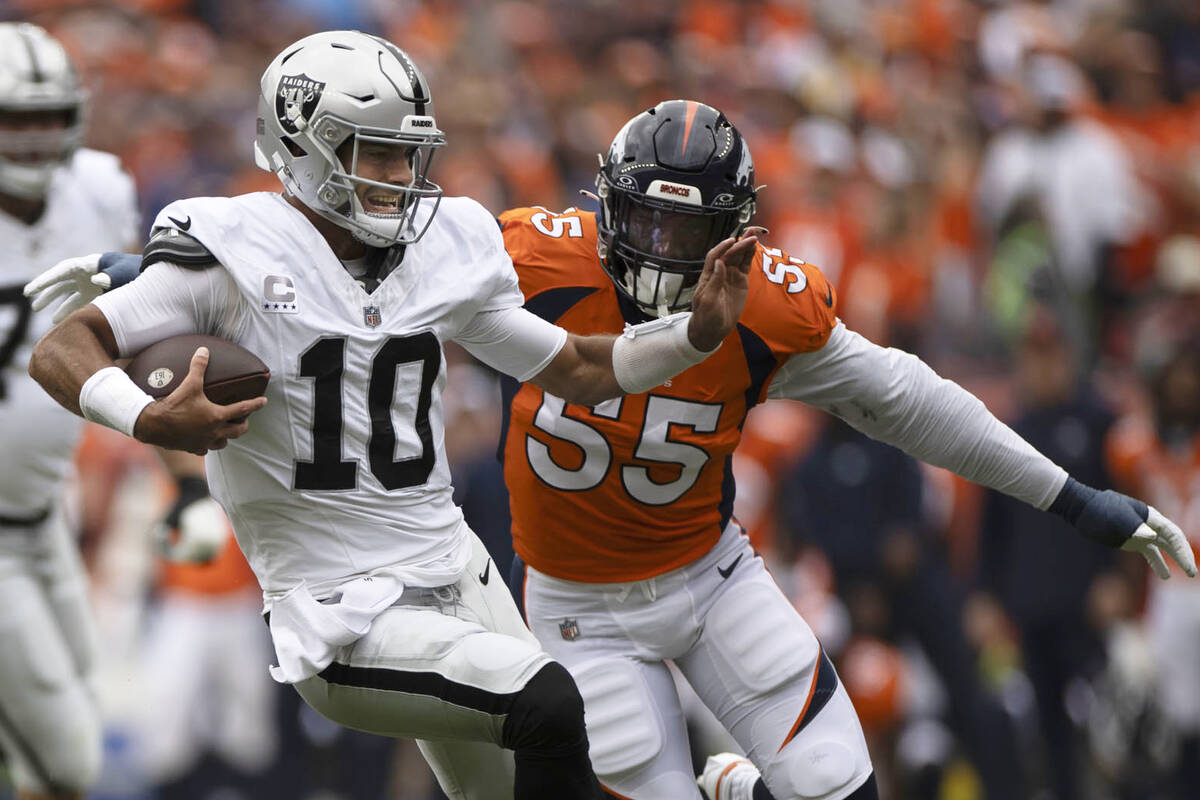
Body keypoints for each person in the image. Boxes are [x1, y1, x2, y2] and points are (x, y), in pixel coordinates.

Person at [31, 100, 1196, 800]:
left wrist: (1077, 498)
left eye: (689, 228)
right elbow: (345, 234)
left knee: (840, 782)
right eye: (643, 219)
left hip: (714, 572)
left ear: (733, 230)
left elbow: (912, 400)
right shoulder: (527, 254)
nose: (660, 246)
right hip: (575, 608)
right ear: (605, 205)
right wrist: (163, 275)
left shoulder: (769, 303)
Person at [24, 33, 758, 800]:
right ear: (303, 145)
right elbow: (63, 348)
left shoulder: (443, 246)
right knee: (546, 702)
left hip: (458, 571)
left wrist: (693, 336)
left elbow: (575, 368)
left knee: (550, 774)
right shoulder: (229, 253)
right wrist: (146, 418)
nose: (399, 177)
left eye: (408, 155)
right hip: (341, 614)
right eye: (373, 153)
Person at [0, 22, 140, 800]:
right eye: (11, 118)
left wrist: (185, 482)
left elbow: (140, 341)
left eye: (44, 116)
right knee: (65, 762)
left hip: (44, 509)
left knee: (65, 735)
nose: (29, 137)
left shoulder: (100, 191)